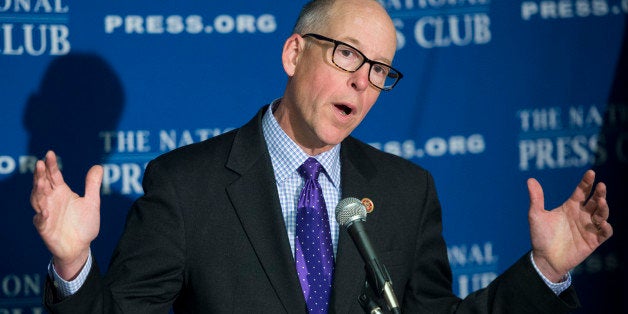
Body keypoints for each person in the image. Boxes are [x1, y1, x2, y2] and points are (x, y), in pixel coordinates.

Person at [30, 0, 613, 313]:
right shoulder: (186, 186)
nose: (364, 82)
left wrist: (547, 271)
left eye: (380, 70)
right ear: (293, 54)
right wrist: (74, 267)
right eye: (348, 56)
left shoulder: (407, 191)